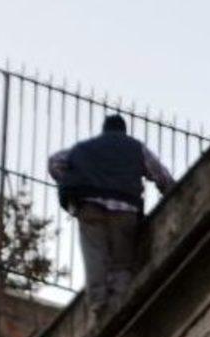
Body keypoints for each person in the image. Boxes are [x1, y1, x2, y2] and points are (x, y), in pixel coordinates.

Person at [49, 113, 175, 316]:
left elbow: (55, 161)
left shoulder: (84, 148)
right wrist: (172, 192)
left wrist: (70, 181)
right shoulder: (135, 147)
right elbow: (161, 175)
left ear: (105, 130)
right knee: (122, 261)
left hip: (90, 205)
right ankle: (119, 301)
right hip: (125, 207)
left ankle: (98, 302)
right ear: (123, 131)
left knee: (94, 253)